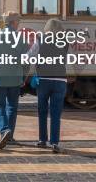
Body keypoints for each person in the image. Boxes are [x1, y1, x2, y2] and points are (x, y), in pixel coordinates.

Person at [0, 11, 28, 149]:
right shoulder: (21, 39)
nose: (18, 24)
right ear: (13, 22)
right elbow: (26, 61)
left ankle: (4, 130)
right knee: (12, 107)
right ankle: (10, 135)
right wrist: (23, 76)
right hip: (15, 79)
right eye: (18, 22)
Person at [29, 18, 69, 153]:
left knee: (42, 111)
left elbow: (30, 56)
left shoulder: (40, 40)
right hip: (60, 80)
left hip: (44, 79)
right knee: (56, 113)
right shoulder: (65, 41)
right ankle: (55, 143)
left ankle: (42, 140)